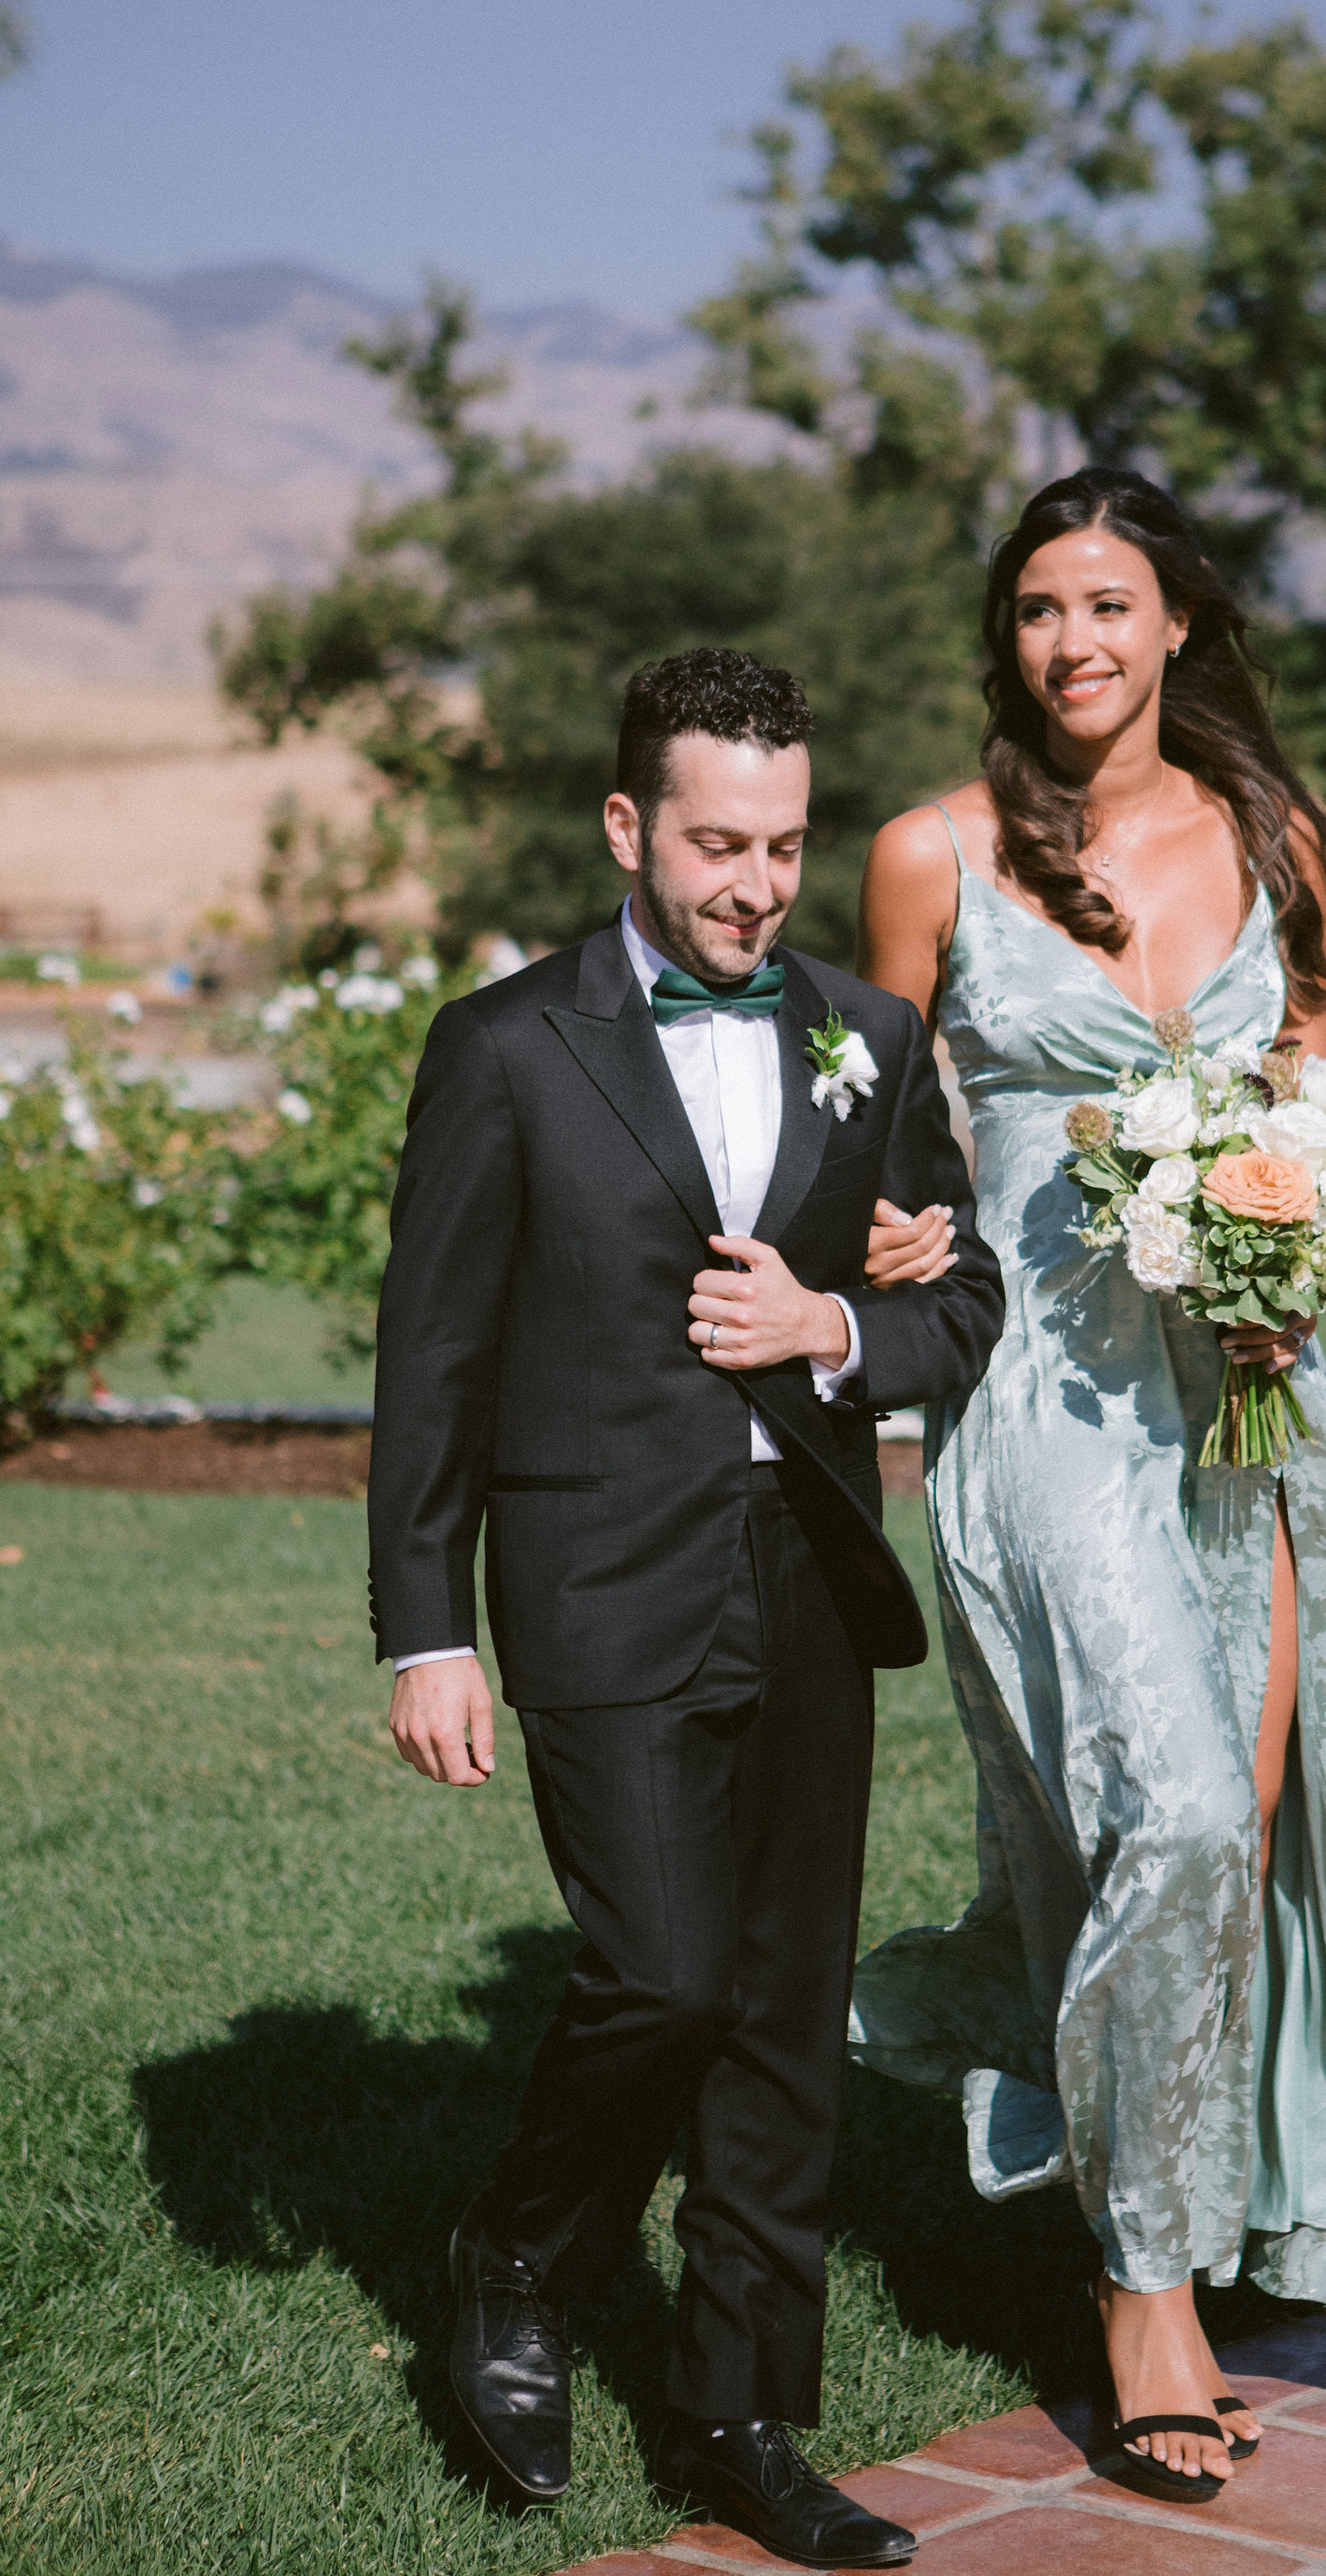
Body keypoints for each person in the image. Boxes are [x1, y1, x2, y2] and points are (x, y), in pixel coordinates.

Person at [850, 471, 1326, 2505]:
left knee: (1230, 1827)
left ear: (1177, 626)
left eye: (1107, 604)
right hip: (1041, 1400)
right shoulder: (933, 854)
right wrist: (890, 1235)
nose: (1070, 642)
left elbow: (1296, 1102)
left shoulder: (1281, 841)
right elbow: (874, 1131)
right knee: (1163, 1809)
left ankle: (1173, 2171)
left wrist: (1298, 1252)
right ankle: (1142, 2287)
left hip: (1249, 1402)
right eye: (1036, 609)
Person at [368, 649, 1004, 2569]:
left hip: (808, 1574)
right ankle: (519, 2252)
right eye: (719, 843)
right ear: (628, 827)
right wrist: (426, 1630)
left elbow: (958, 1306)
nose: (756, 883)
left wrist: (838, 1329)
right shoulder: (506, 1046)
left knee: (784, 2010)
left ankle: (738, 2417)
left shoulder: (864, 1035)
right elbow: (433, 1360)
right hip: (597, 1575)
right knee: (664, 1973)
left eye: (785, 845)